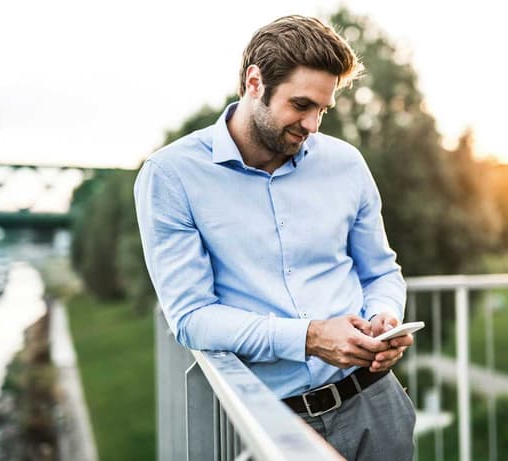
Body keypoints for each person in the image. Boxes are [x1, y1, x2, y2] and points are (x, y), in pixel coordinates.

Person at [134, 15, 415, 460]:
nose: (313, 125)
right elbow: (191, 317)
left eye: (323, 109)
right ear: (254, 82)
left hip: (376, 405)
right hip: (270, 426)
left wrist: (384, 317)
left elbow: (381, 270)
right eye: (301, 105)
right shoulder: (171, 176)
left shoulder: (346, 164)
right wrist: (310, 337)